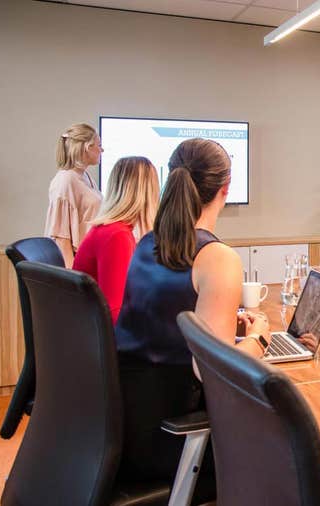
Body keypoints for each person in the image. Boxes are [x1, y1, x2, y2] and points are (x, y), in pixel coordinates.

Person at [113, 138, 268, 487]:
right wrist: (258, 339)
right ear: (225, 188)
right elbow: (211, 370)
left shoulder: (147, 242)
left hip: (125, 426)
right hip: (175, 439)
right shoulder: (216, 258)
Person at [72, 156, 159, 323]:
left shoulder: (108, 229)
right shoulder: (116, 235)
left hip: (88, 330)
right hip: (103, 339)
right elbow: (114, 312)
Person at [45, 123, 104, 267]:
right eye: (98, 145)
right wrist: (73, 279)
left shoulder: (84, 176)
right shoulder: (65, 180)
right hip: (77, 263)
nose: (101, 150)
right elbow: (61, 237)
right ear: (87, 147)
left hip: (90, 257)